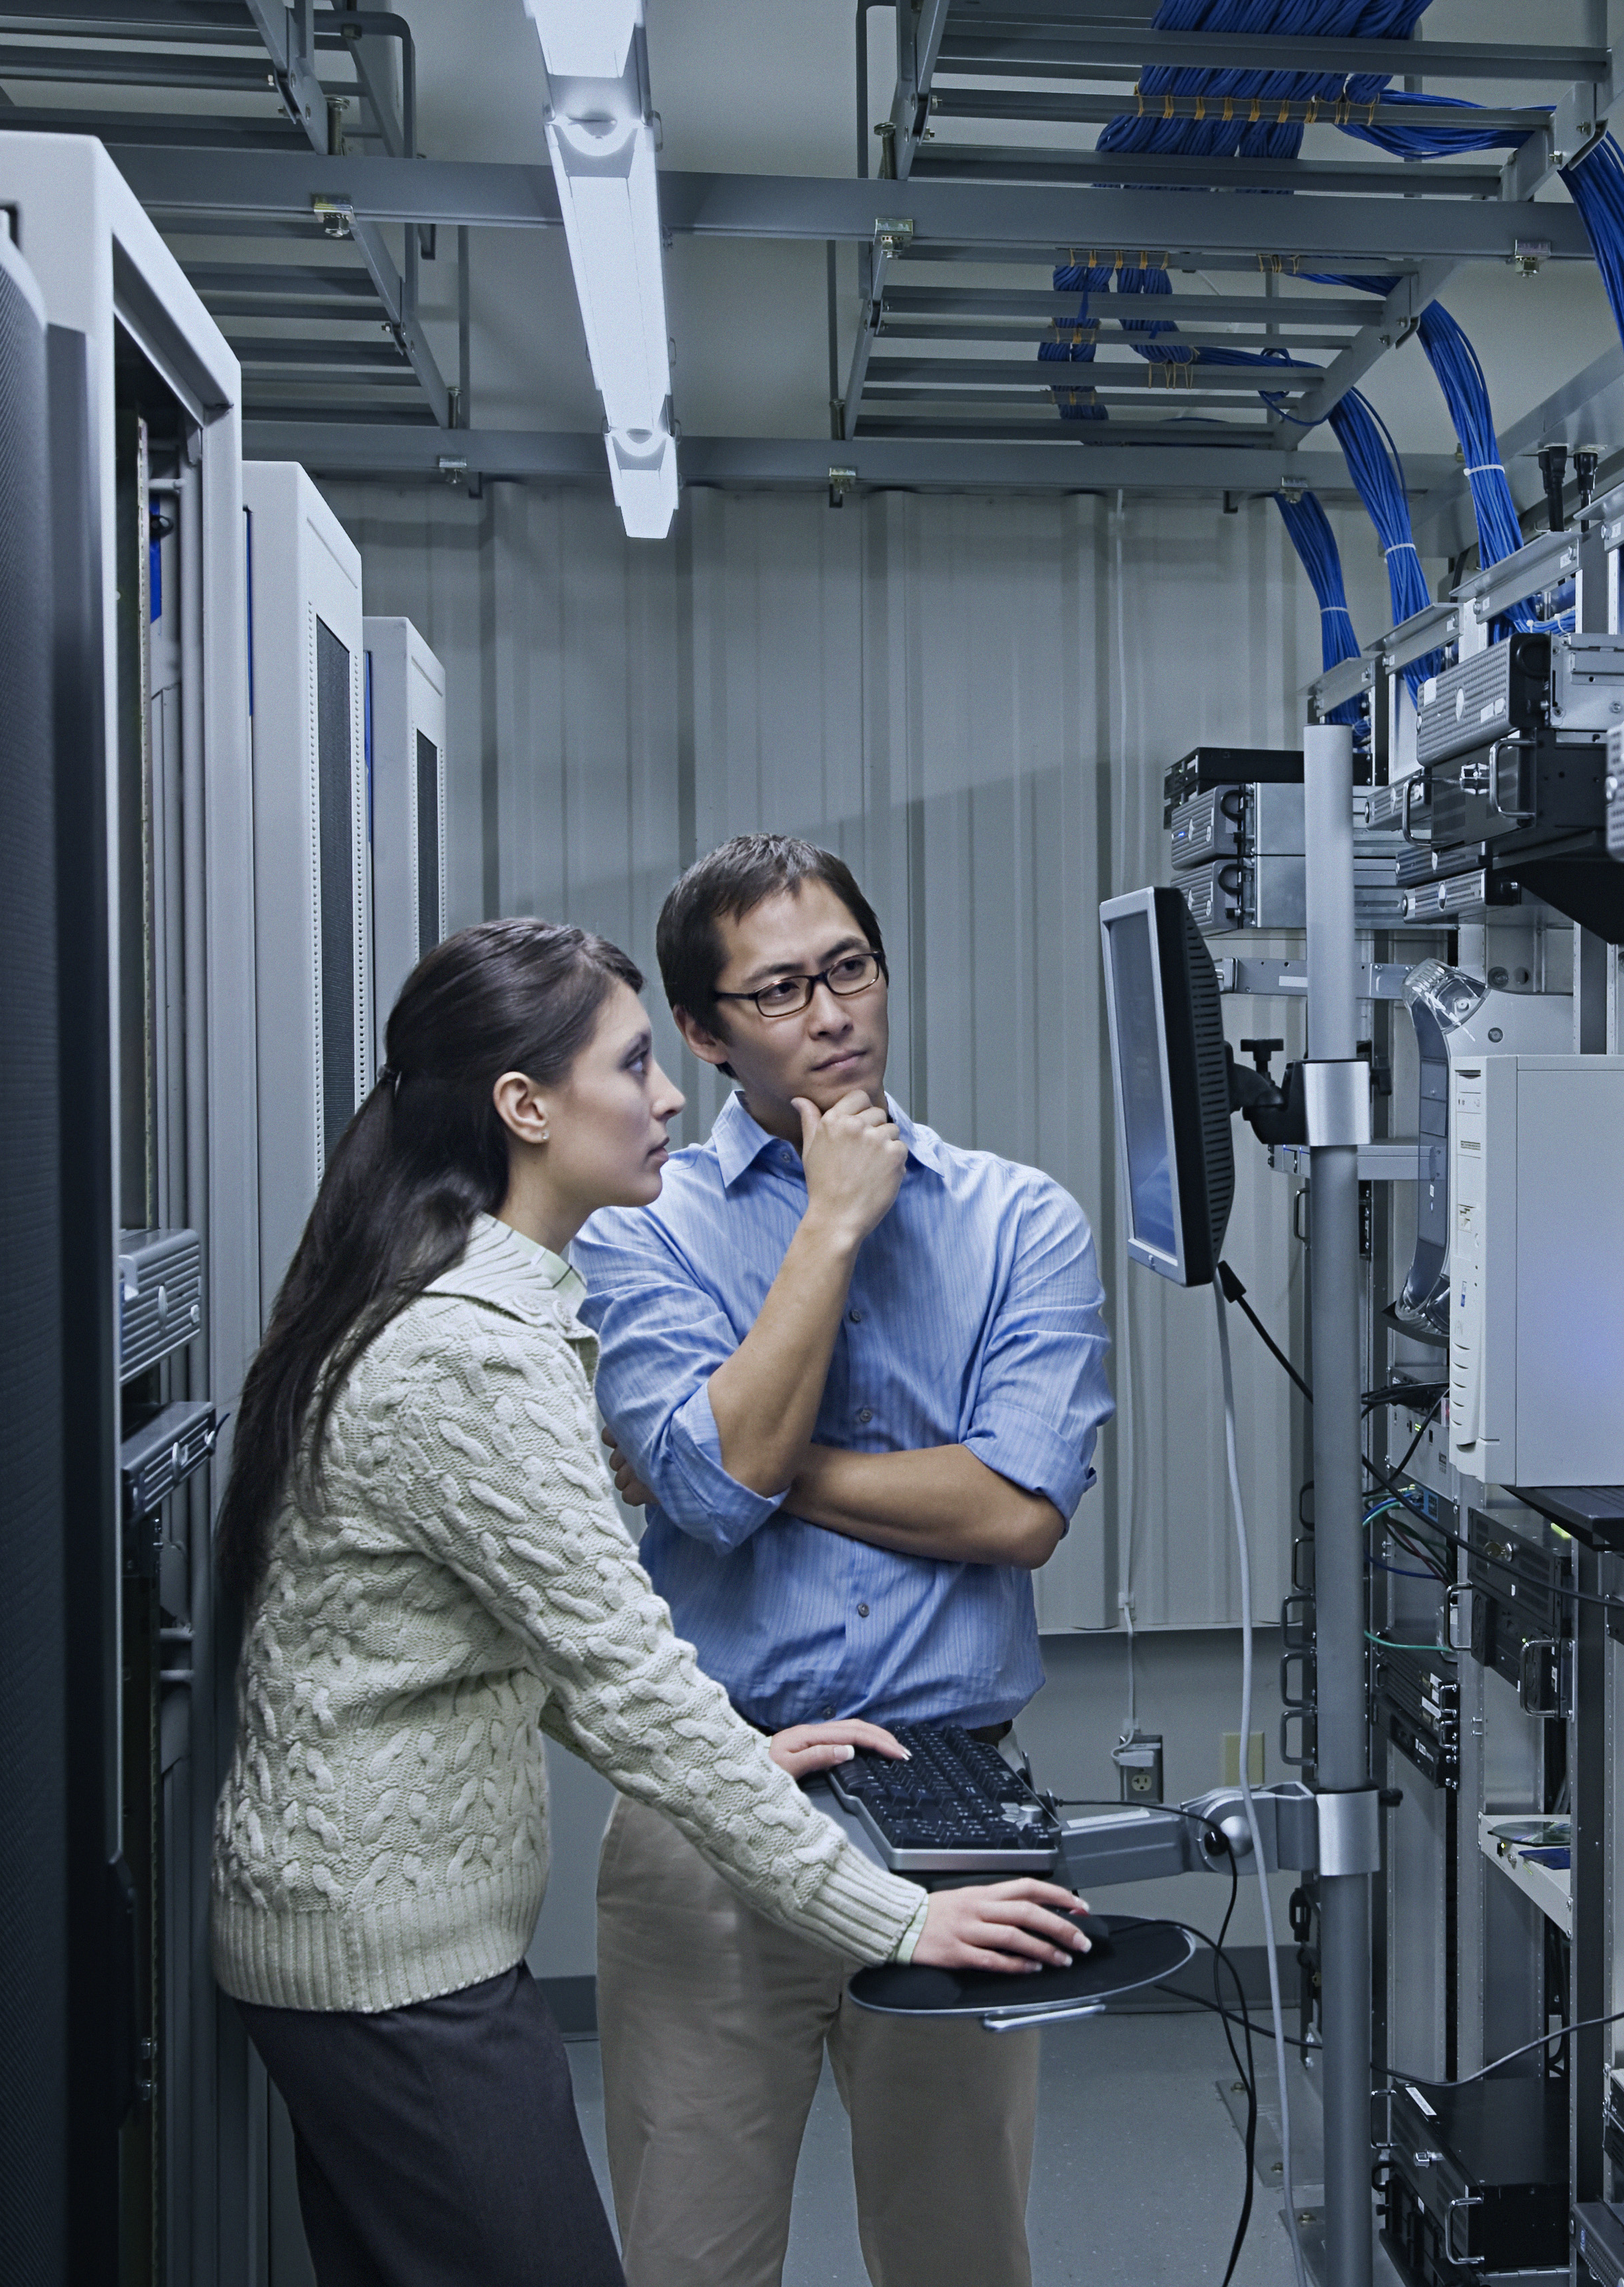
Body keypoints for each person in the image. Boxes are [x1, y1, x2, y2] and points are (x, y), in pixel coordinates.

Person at [208, 917, 1087, 2287]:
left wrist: (738, 1715)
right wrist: (899, 1921)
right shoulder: (476, 1351)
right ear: (527, 1106)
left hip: (381, 1944)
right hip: (390, 1963)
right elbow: (629, 1675)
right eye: (635, 1064)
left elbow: (515, 1630)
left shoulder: (481, 1300)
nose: (670, 1096)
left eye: (850, 969)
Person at [576, 835, 1114, 2287]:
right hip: (718, 1801)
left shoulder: (1021, 1220)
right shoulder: (645, 1222)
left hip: (957, 1807)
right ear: (702, 1030)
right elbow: (698, 1478)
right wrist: (830, 1222)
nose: (833, 1017)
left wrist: (743, 1469)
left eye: (850, 970)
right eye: (779, 992)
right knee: (695, 2254)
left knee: (961, 2254)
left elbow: (1014, 1513)